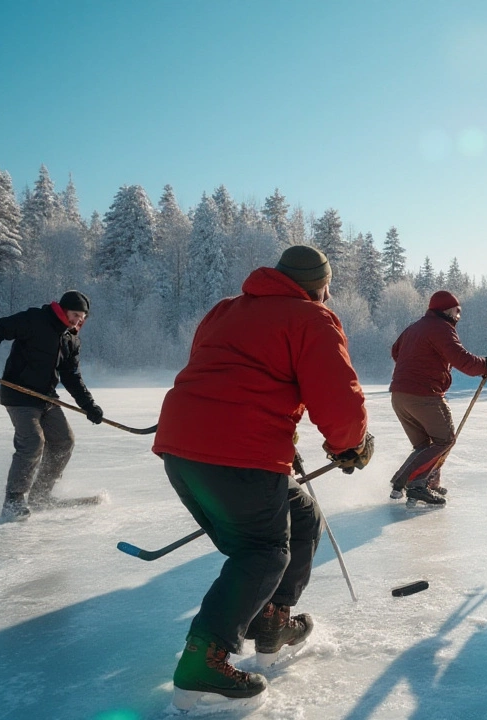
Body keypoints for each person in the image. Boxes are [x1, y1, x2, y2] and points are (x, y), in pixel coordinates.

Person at [152, 245, 373, 711]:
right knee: (263, 550)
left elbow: (227, 373)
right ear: (319, 285)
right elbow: (337, 396)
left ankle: (271, 620)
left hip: (183, 447)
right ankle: (201, 664)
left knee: (303, 515)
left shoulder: (226, 311)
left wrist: (280, 436)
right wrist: (350, 445)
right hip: (236, 453)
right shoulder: (313, 318)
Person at [0, 290, 104, 521]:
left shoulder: (71, 338)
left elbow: (71, 376)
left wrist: (89, 405)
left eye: (82, 318)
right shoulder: (35, 320)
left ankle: (40, 495)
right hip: (19, 394)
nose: (78, 321)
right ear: (63, 310)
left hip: (47, 398)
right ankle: (14, 501)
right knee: (33, 442)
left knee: (64, 441)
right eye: (75, 315)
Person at [387, 290, 487, 506]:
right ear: (446, 309)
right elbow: (462, 360)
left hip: (399, 396)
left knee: (424, 446)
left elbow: (396, 352)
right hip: (423, 395)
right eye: (457, 311)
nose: (459, 316)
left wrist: (418, 364)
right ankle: (413, 484)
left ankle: (420, 483)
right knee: (445, 440)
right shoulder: (440, 328)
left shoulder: (414, 328)